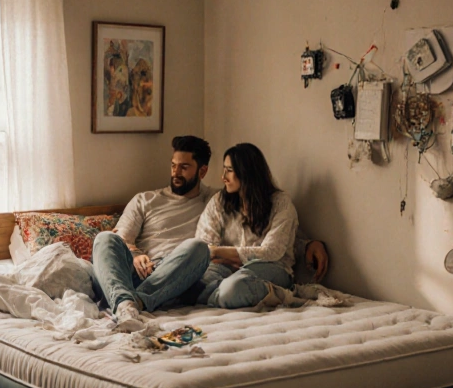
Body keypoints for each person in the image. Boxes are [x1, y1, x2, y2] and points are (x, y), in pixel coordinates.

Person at [92, 136, 330, 329]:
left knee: (196, 248)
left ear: (202, 171)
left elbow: (278, 239)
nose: (176, 172)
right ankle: (127, 302)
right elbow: (120, 238)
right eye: (173, 165)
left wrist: (308, 244)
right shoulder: (145, 200)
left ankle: (131, 303)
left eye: (184, 167)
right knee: (103, 239)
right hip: (141, 270)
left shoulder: (217, 198)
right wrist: (135, 254)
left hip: (185, 273)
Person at [194, 143, 298, 309]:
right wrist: (228, 257)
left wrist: (224, 253)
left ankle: (278, 294)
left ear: (247, 172)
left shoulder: (281, 203)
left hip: (272, 267)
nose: (223, 177)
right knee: (194, 281)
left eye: (229, 170)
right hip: (226, 266)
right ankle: (214, 293)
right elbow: (204, 244)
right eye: (224, 169)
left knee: (232, 288)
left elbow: (272, 251)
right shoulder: (219, 201)